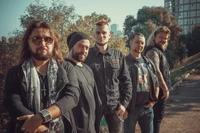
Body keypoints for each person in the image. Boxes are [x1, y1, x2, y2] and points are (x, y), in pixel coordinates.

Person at [3, 19, 80, 133]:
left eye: (48, 39)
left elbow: (72, 96)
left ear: (54, 43)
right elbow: (12, 103)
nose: (43, 44)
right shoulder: (15, 72)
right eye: (36, 39)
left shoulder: (66, 68)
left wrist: (41, 116)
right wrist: (42, 130)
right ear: (28, 43)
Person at [84, 21, 132, 133]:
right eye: (98, 32)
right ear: (93, 34)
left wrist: (124, 104)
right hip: (94, 109)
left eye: (104, 33)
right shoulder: (86, 56)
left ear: (109, 35)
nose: (101, 35)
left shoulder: (118, 55)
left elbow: (127, 82)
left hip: (115, 109)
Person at [65, 31, 102, 133]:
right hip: (75, 127)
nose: (84, 50)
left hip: (91, 126)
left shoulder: (88, 69)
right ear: (72, 46)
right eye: (80, 46)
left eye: (87, 48)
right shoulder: (63, 67)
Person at [124, 32, 159, 133]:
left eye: (142, 43)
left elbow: (155, 83)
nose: (140, 45)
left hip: (147, 109)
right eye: (137, 42)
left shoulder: (148, 62)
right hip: (130, 110)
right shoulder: (124, 63)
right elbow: (118, 86)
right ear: (131, 43)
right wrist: (123, 107)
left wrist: (153, 101)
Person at [144, 26, 171, 133]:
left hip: (158, 92)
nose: (163, 40)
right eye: (161, 37)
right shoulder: (152, 51)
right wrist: (165, 89)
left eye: (166, 38)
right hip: (156, 93)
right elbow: (156, 72)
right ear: (154, 37)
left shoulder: (158, 51)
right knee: (155, 120)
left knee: (156, 119)